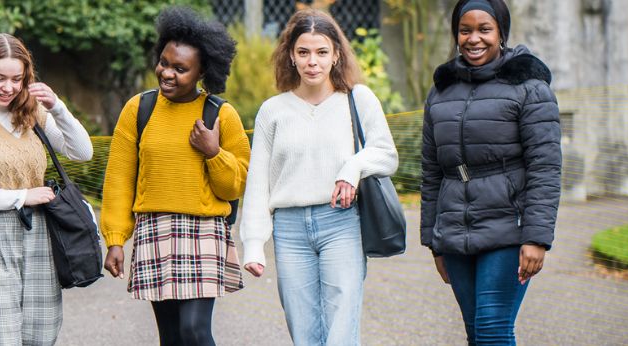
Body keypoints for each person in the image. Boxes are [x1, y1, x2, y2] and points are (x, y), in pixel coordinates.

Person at [238, 9, 399, 346]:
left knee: (341, 332)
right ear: (291, 56)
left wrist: (352, 169)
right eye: (303, 52)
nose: (313, 61)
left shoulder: (358, 99)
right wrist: (253, 244)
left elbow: (386, 154)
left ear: (336, 55)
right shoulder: (273, 110)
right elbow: (258, 183)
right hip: (289, 230)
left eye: (322, 52)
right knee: (304, 333)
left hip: (341, 223)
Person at [99, 6, 249, 346]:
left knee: (193, 331)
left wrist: (214, 152)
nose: (167, 73)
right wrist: (115, 239)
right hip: (155, 230)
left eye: (180, 69)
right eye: (164, 62)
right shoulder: (139, 109)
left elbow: (235, 185)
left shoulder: (220, 114)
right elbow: (120, 178)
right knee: (170, 337)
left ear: (201, 72)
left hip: (203, 231)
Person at [420, 0, 561, 344]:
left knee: (492, 329)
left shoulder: (529, 87)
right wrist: (433, 241)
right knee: (475, 332)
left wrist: (536, 237)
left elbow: (545, 166)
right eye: (465, 30)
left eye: (484, 29)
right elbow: (431, 170)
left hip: (508, 229)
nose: (473, 39)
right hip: (455, 231)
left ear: (501, 33)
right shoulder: (440, 91)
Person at [0, 33, 93, 345]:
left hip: (38, 237)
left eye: (17, 79)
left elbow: (82, 151)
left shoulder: (32, 114)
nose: (8, 87)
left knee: (41, 334)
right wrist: (23, 196)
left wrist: (57, 107)